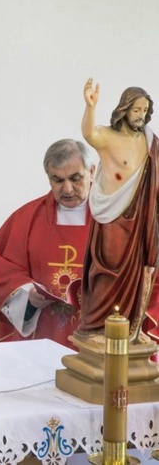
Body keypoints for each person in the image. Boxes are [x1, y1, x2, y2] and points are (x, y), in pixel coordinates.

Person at [0, 139, 94, 348]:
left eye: (75, 178)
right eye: (58, 180)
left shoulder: (112, 220)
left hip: (94, 331)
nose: (67, 188)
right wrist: (28, 293)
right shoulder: (27, 218)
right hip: (42, 330)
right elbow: (1, 267)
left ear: (92, 171)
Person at [80, 79, 159, 340]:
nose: (142, 115)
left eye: (145, 110)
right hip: (113, 218)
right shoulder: (108, 137)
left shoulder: (150, 143)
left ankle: (128, 328)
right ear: (124, 109)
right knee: (108, 270)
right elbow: (89, 134)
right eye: (136, 109)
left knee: (136, 273)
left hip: (140, 218)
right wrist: (90, 107)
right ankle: (97, 326)